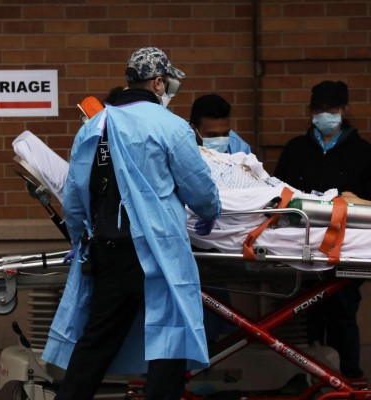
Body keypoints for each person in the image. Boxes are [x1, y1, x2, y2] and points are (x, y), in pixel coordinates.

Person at [41, 47, 221, 400]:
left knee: (96, 342)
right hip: (159, 253)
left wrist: (80, 242)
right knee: (168, 344)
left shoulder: (95, 127)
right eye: (169, 84)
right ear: (158, 83)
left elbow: (75, 196)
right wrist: (210, 213)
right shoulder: (171, 127)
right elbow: (200, 191)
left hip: (109, 252)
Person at [273, 80, 371, 379]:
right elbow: (278, 192)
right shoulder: (296, 149)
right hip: (301, 247)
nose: (325, 115)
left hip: (346, 248)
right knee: (301, 312)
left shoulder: (362, 152)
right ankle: (305, 377)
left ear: (344, 111)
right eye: (319, 109)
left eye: (331, 109)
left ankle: (348, 377)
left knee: (342, 312)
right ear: (310, 111)